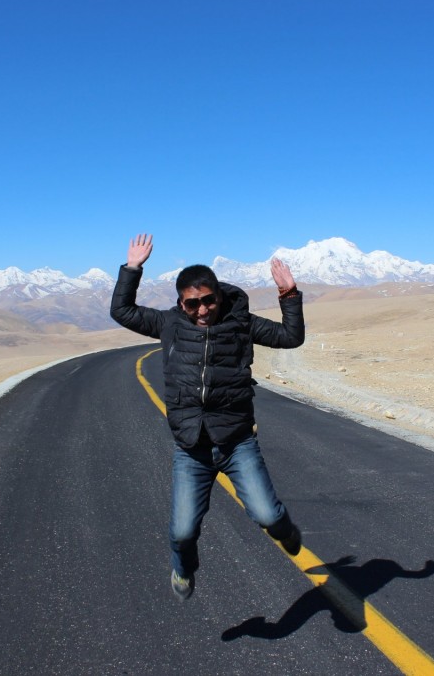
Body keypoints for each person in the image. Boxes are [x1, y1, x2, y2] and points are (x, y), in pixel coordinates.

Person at [110, 233, 306, 601]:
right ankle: (184, 569)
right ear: (181, 304)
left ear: (219, 294)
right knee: (182, 532)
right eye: (192, 304)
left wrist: (289, 295)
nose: (202, 310)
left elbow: (291, 337)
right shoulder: (169, 325)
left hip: (236, 443)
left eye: (208, 301)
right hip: (192, 449)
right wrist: (132, 268)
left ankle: (286, 530)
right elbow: (122, 312)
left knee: (268, 516)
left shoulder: (241, 323)